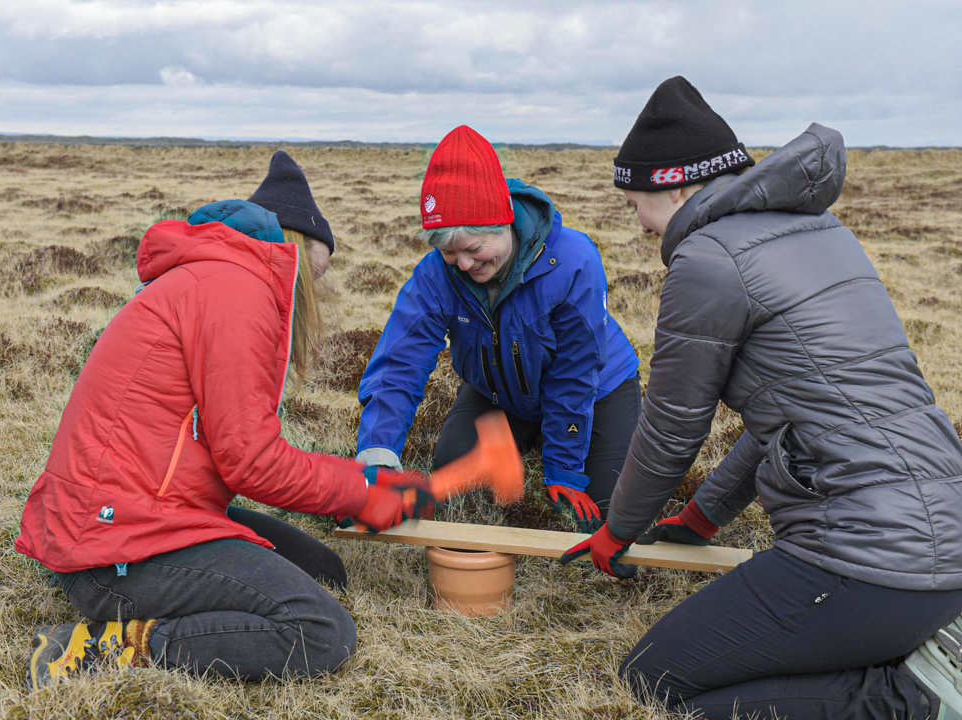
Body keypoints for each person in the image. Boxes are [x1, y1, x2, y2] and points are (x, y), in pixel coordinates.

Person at [561, 76, 962, 720]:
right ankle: (920, 651)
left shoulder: (707, 258)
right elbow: (794, 420)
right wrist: (703, 517)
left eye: (636, 202)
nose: (638, 223)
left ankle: (912, 701)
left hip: (864, 560)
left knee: (652, 680)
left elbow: (670, 431)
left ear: (676, 186)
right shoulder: (822, 232)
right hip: (945, 544)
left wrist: (618, 529)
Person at [15, 151, 433, 690]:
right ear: (294, 249)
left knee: (323, 570)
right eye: (319, 272)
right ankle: (105, 646)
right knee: (321, 631)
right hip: (114, 545)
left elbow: (236, 449)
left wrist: (355, 487)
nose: (318, 291)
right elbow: (253, 464)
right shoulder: (236, 292)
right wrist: (365, 491)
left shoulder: (219, 278)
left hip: (138, 516)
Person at [354, 125, 641, 533]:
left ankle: (552, 444)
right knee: (454, 463)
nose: (464, 265)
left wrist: (563, 469)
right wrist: (378, 456)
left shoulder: (573, 261)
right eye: (449, 252)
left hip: (598, 390)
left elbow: (576, 372)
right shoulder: (435, 275)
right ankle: (525, 438)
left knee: (607, 504)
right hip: (499, 393)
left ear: (504, 222)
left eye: (474, 249)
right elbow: (400, 362)